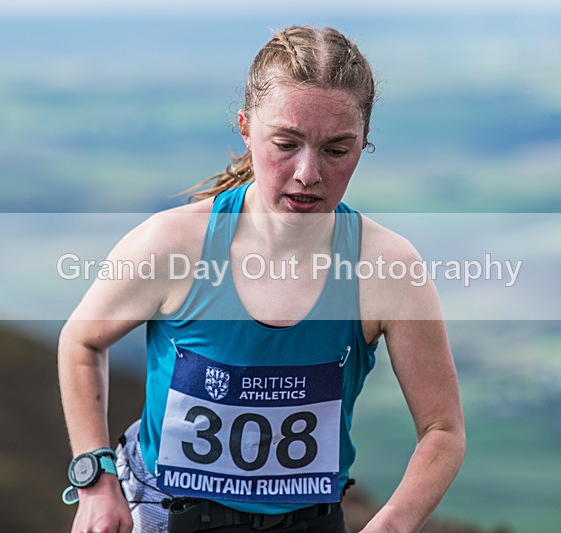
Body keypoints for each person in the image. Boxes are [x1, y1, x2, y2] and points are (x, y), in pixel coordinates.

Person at [58, 25, 465, 533]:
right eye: (286, 144)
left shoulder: (387, 268)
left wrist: (390, 526)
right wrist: (96, 482)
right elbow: (80, 340)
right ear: (245, 128)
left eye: (337, 150)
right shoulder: (171, 245)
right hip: (161, 517)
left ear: (365, 143)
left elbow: (443, 429)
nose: (307, 173)